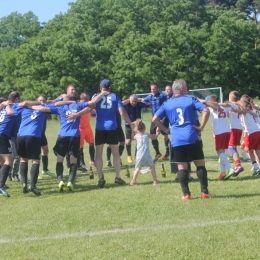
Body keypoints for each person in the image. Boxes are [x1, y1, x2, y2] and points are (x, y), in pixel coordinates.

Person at [152, 79, 213, 200]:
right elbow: (206, 110)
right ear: (181, 89)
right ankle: (205, 192)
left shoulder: (167, 103)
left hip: (176, 139)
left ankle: (186, 194)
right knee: (200, 164)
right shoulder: (190, 99)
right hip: (191, 137)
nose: (186, 90)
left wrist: (167, 130)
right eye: (185, 88)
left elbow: (154, 119)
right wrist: (200, 127)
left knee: (182, 167)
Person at [32, 93, 105, 192]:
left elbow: (43, 108)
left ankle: (60, 181)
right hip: (75, 136)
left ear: (65, 99)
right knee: (73, 161)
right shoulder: (78, 106)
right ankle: (70, 181)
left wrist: (29, 106)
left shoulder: (61, 107)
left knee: (59, 160)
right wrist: (102, 94)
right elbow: (92, 104)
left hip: (63, 136)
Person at [68, 79, 134, 188]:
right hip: (112, 127)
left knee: (98, 154)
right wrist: (131, 124)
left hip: (100, 128)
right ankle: (117, 176)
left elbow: (89, 108)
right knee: (116, 154)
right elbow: (122, 112)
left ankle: (100, 178)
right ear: (110, 88)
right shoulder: (114, 97)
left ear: (100, 88)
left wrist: (77, 114)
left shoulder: (97, 97)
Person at [7, 96, 49, 196]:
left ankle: (24, 184)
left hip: (20, 136)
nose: (41, 102)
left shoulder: (22, 108)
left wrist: (6, 104)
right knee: (35, 160)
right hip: (33, 136)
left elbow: (11, 112)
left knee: (23, 159)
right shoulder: (43, 108)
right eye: (40, 100)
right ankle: (32, 186)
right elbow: (55, 105)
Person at [204, 95, 239, 180]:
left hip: (219, 132)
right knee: (222, 152)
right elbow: (232, 105)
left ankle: (230, 169)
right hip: (227, 131)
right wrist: (221, 104)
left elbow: (208, 105)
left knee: (219, 152)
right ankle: (222, 172)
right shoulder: (224, 107)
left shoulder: (212, 107)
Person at [141, 83, 169, 161]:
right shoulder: (150, 97)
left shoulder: (163, 96)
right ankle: (157, 153)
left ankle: (168, 152)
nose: (153, 90)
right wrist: (132, 99)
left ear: (158, 89)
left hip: (163, 118)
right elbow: (142, 100)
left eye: (154, 89)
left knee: (165, 136)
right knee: (153, 136)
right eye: (152, 89)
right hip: (154, 118)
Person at [0, 92, 21, 197]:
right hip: (2, 135)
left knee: (2, 161)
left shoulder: (2, 107)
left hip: (2, 134)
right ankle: (1, 186)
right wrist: (8, 104)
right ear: (17, 99)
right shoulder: (12, 107)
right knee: (10, 160)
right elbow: (11, 114)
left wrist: (4, 104)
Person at [130, 119, 160, 186]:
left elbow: (132, 138)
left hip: (139, 155)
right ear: (145, 128)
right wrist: (157, 133)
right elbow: (154, 137)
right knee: (152, 166)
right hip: (146, 155)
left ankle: (133, 181)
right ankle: (155, 180)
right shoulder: (147, 135)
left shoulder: (137, 136)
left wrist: (132, 131)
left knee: (138, 168)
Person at [123, 94, 149, 164]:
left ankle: (137, 155)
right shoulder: (126, 104)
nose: (134, 103)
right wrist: (128, 100)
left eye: (135, 101)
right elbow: (120, 103)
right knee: (128, 141)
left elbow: (148, 104)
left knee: (139, 140)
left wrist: (140, 100)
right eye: (132, 101)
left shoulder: (139, 104)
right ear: (129, 100)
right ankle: (129, 156)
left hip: (138, 125)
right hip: (128, 124)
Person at [227, 91, 244, 176]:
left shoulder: (232, 105)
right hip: (239, 128)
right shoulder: (238, 105)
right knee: (233, 147)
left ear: (231, 98)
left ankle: (238, 165)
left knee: (230, 147)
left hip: (233, 128)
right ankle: (237, 165)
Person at [77, 92, 95, 168]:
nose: (87, 101)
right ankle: (82, 163)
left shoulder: (89, 105)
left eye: (88, 99)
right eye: (85, 99)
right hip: (80, 128)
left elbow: (93, 111)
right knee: (80, 147)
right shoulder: (77, 105)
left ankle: (92, 160)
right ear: (81, 99)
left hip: (88, 127)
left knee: (91, 143)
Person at [37, 95, 53, 177]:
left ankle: (45, 169)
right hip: (35, 134)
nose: (41, 102)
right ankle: (36, 173)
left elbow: (53, 102)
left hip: (42, 133)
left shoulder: (46, 108)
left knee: (45, 150)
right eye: (40, 100)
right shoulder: (36, 108)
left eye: (43, 100)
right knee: (36, 153)